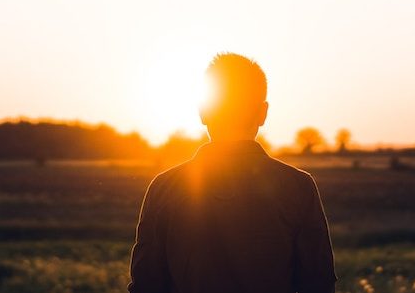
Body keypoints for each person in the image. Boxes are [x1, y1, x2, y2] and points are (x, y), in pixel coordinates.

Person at [128, 53, 337, 293]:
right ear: (263, 113)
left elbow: (145, 286)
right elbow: (319, 284)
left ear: (203, 112)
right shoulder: (298, 188)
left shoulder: (164, 188)